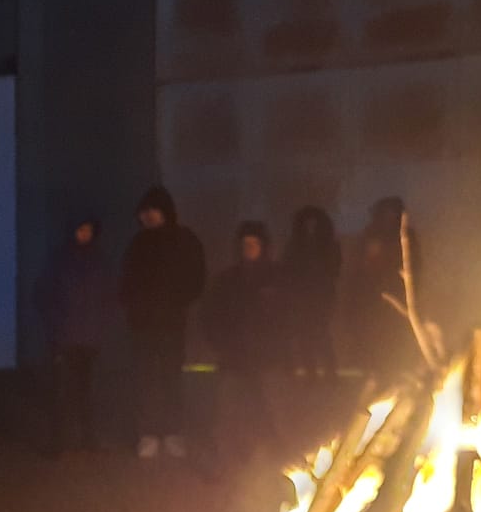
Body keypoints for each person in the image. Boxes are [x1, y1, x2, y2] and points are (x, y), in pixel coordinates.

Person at [118, 185, 207, 460]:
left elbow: (196, 276)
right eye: (143, 213)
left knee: (170, 379)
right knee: (146, 380)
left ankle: (171, 433)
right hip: (144, 326)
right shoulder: (138, 244)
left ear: (164, 212)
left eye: (151, 211)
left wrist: (178, 302)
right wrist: (134, 310)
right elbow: (126, 282)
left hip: (171, 324)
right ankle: (148, 434)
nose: (146, 217)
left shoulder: (184, 240)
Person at [201, 222, 287, 471]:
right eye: (245, 244)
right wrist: (220, 344)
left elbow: (288, 316)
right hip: (234, 358)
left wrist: (280, 347)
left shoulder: (276, 278)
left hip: (266, 359)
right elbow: (210, 315)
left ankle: (274, 458)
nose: (249, 249)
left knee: (270, 408)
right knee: (229, 409)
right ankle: (226, 457)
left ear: (263, 246)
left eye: (254, 244)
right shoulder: (227, 280)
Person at [34, 217, 117, 455]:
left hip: (89, 340)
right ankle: (57, 442)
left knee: (88, 391)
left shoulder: (100, 261)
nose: (84, 234)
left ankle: (89, 439)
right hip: (63, 338)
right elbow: (41, 294)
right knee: (61, 392)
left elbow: (109, 297)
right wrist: (55, 325)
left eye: (88, 230)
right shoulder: (59, 259)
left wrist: (101, 326)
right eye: (80, 229)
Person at [343, 197, 422, 379]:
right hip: (370, 299)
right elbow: (359, 269)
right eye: (385, 213)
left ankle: (393, 372)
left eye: (392, 213)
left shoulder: (407, 237)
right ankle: (370, 374)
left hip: (397, 297)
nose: (389, 217)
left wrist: (405, 285)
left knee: (392, 338)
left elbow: (414, 267)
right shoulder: (371, 234)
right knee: (369, 337)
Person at [280, 206, 341, 380]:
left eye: (314, 225)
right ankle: (311, 374)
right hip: (302, 301)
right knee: (305, 338)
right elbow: (288, 272)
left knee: (322, 336)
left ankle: (330, 374)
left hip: (321, 300)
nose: (311, 228)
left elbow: (334, 272)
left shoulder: (329, 246)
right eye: (307, 225)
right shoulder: (294, 247)